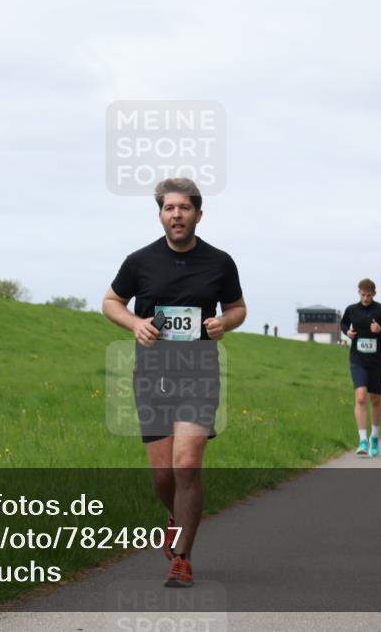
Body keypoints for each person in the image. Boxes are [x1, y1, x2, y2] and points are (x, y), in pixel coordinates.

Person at [102, 177, 246, 588]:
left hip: (199, 371)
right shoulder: (140, 261)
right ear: (161, 214)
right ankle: (176, 516)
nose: (177, 215)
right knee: (163, 476)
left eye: (184, 208)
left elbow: (237, 308)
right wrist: (135, 323)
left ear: (199, 214)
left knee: (186, 464)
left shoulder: (220, 263)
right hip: (152, 374)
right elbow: (111, 301)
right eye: (169, 208)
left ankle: (181, 558)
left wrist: (224, 322)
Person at [339, 278, 381, 458]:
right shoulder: (352, 310)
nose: (365, 298)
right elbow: (343, 324)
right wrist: (347, 332)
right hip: (358, 359)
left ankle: (375, 438)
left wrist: (380, 329)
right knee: (360, 397)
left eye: (368, 295)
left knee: (374, 398)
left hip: (377, 362)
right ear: (358, 292)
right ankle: (362, 440)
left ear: (374, 293)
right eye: (362, 295)